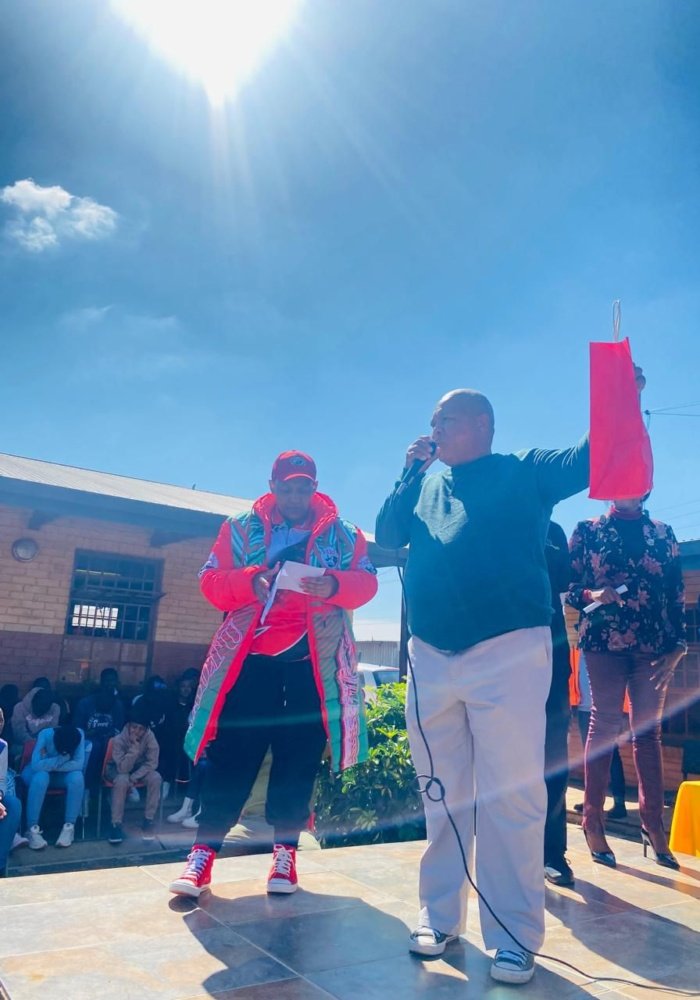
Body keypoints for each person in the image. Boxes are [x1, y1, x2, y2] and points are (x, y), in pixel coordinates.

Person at [375, 389, 591, 986]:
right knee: (441, 793)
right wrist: (409, 470)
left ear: (481, 423)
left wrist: (621, 394)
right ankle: (439, 917)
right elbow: (387, 532)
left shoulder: (524, 470)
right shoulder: (425, 483)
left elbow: (588, 460)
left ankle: (514, 937)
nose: (434, 428)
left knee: (510, 797)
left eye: (444, 419)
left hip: (508, 650)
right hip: (431, 653)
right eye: (432, 421)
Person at [169, 450, 377, 899]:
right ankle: (201, 858)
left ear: (315, 487)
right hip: (251, 665)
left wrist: (334, 585)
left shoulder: (344, 534)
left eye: (304, 488)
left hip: (310, 669)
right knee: (231, 759)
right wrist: (249, 581)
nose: (296, 496)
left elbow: (367, 583)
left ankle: (285, 858)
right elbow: (209, 580)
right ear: (273, 486)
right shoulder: (240, 528)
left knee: (298, 762)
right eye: (288, 488)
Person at [566, 495, 686, 869]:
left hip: (654, 647)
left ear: (646, 487)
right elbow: (568, 587)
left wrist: (679, 645)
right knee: (604, 726)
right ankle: (593, 821)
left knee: (648, 733)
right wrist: (591, 594)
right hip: (603, 642)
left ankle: (653, 824)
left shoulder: (663, 534)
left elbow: (676, 593)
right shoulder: (588, 531)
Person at [543, 521, 575, 887]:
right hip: (501, 656)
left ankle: (553, 852)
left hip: (552, 653)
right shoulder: (496, 518)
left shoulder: (553, 531)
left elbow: (565, 586)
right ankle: (506, 849)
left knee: (553, 757)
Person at [572, 651, 627, 820]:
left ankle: (619, 804)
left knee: (612, 756)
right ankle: (591, 801)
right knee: (590, 758)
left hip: (606, 710)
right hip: (584, 710)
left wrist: (622, 715)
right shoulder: (578, 652)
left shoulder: (606, 649)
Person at [20, 724, 85, 849]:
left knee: (77, 777)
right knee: (41, 777)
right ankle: (31, 829)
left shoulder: (79, 734)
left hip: (60, 775)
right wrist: (61, 759)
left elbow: (78, 765)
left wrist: (51, 766)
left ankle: (69, 827)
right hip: (35, 774)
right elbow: (36, 765)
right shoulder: (45, 734)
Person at [107, 701, 162, 844]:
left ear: (146, 729)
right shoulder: (119, 739)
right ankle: (116, 823)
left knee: (156, 777)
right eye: (134, 727)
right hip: (117, 769)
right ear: (129, 726)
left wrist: (134, 777)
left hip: (138, 770)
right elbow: (122, 768)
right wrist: (134, 749)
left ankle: (148, 820)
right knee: (122, 780)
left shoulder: (150, 737)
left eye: (141, 729)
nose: (136, 731)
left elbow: (152, 763)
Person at [73, 668, 125, 790]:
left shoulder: (118, 705)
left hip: (108, 742)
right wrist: (89, 733)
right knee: (94, 746)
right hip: (87, 741)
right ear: (101, 682)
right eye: (107, 681)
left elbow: (118, 729)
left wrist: (108, 736)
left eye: (112, 681)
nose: (109, 684)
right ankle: (88, 787)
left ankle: (110, 786)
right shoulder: (85, 703)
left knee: (112, 745)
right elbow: (77, 730)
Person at [0, 708, 23, 873]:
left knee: (13, 805)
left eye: (1, 721)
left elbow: (0, 779)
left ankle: (0, 865)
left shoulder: (2, 746)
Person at [11, 685, 60, 752]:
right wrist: (34, 744)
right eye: (37, 710)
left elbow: (51, 731)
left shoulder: (55, 709)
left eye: (43, 712)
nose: (39, 714)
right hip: (22, 745)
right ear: (33, 702)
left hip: (44, 745)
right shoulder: (19, 708)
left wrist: (41, 745)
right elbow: (19, 733)